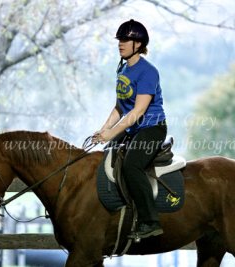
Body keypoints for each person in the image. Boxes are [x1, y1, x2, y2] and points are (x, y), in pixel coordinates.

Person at [93, 19, 167, 239]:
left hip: (151, 128)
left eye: (125, 40)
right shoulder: (124, 69)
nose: (120, 44)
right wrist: (103, 130)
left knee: (131, 166)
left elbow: (137, 112)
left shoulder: (148, 72)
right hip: (132, 129)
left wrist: (111, 133)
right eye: (120, 40)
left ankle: (150, 221)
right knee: (105, 159)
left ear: (138, 44)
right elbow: (120, 107)